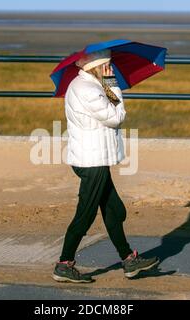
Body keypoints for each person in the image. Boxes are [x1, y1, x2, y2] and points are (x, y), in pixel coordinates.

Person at [52, 49, 159, 283]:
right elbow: (116, 117)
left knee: (115, 211)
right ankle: (63, 264)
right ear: (97, 67)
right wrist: (113, 84)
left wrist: (108, 85)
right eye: (108, 66)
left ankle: (129, 260)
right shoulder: (88, 90)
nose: (111, 69)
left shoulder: (88, 86)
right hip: (92, 162)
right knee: (85, 215)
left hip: (94, 158)